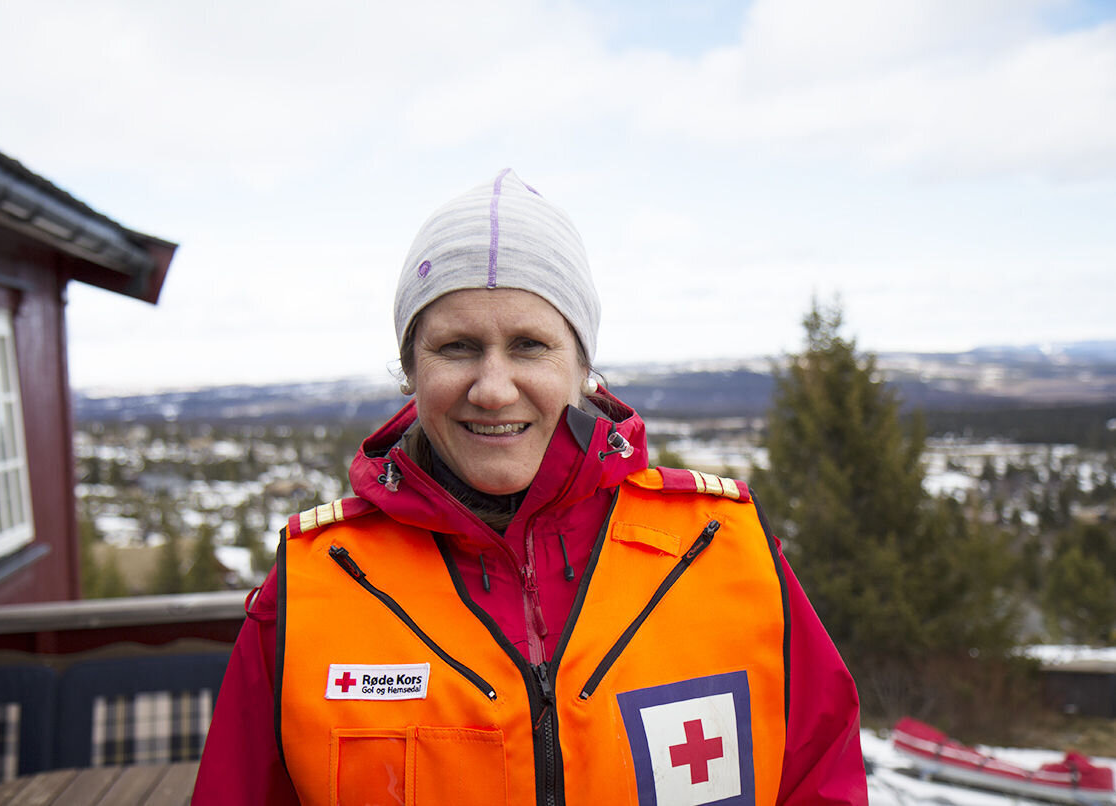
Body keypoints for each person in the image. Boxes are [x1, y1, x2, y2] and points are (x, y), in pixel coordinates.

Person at [192, 170, 867, 805]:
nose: (491, 388)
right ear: (410, 371)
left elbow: (820, 776)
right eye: (456, 347)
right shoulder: (317, 589)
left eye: (529, 345)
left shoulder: (726, 553)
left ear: (583, 369)